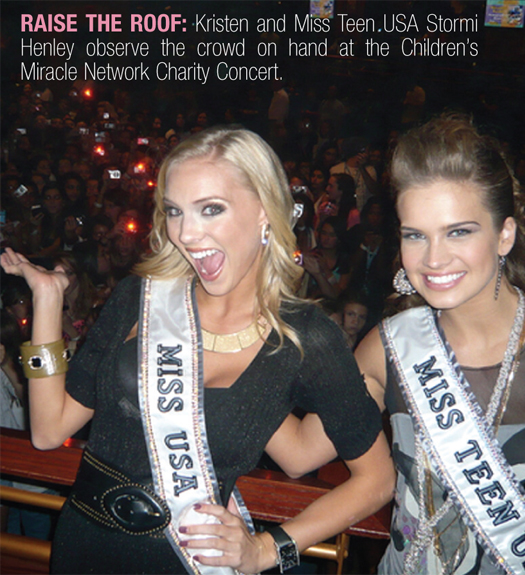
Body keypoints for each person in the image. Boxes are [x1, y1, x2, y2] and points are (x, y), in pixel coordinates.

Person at [0, 126, 394, 575]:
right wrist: (47, 301)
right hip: (84, 547)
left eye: (211, 209)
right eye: (174, 211)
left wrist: (268, 549)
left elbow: (377, 479)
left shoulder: (305, 336)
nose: (186, 234)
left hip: (189, 563)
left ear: (265, 210)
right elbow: (49, 431)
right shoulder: (139, 298)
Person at [274, 114, 525, 575]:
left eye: (458, 231)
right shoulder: (391, 347)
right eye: (415, 235)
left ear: (505, 234)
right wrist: (226, 335)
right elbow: (300, 453)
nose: (434, 258)